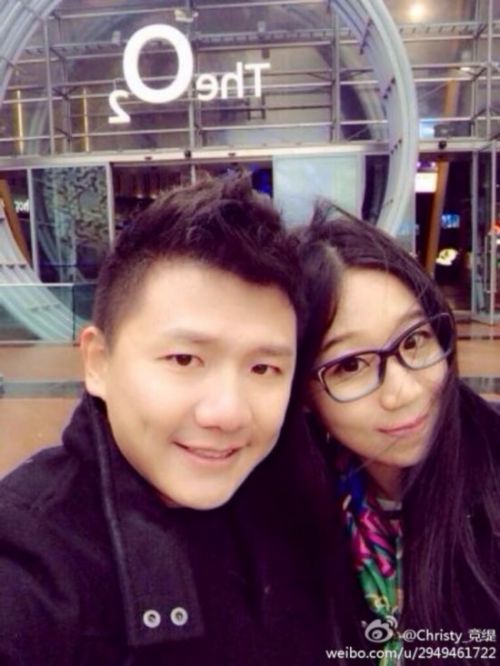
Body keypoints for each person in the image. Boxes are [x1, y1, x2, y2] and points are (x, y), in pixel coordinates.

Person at [0, 174, 332, 666]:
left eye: (264, 368)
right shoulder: (33, 555)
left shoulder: (298, 495)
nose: (227, 413)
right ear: (98, 363)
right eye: (184, 359)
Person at [297, 206, 500, 665]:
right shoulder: (289, 514)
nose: (402, 392)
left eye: (414, 341)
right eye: (349, 365)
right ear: (303, 394)